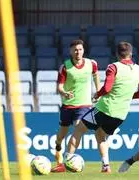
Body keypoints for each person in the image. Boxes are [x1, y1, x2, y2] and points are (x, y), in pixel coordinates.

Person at [60, 41, 139, 173]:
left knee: (79, 129)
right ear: (131, 53)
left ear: (117, 54)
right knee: (100, 135)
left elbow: (107, 88)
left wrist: (97, 94)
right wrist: (129, 96)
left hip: (105, 109)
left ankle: (67, 161)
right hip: (121, 115)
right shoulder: (138, 69)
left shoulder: (113, 67)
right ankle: (106, 165)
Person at [51, 39, 101, 172]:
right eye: (75, 49)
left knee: (78, 128)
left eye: (80, 49)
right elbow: (60, 87)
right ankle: (58, 150)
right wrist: (64, 93)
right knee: (61, 136)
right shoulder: (65, 66)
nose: (78, 52)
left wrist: (99, 91)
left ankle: (68, 160)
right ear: (71, 51)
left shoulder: (92, 64)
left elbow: (96, 76)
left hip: (84, 104)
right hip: (67, 106)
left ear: (83, 50)